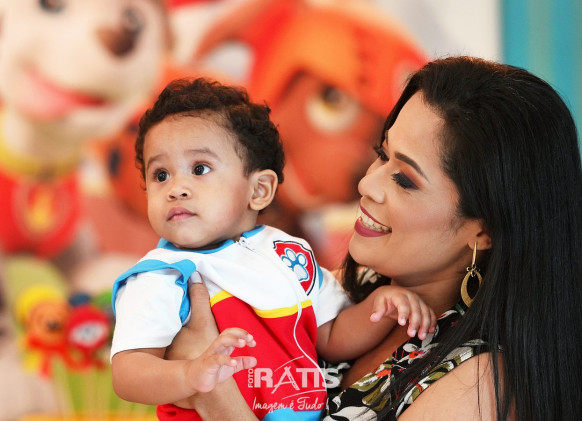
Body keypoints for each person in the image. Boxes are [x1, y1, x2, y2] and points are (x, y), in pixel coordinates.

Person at [164, 56, 582, 421]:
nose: (367, 184)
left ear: (484, 230)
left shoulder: (481, 384)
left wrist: (213, 393)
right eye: (382, 154)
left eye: (405, 179)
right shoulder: (353, 290)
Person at [110, 78, 436, 421]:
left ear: (259, 190)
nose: (176, 188)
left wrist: (379, 308)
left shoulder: (289, 253)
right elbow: (128, 373)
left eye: (199, 169)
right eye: (160, 175)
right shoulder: (162, 275)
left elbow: (330, 336)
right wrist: (189, 375)